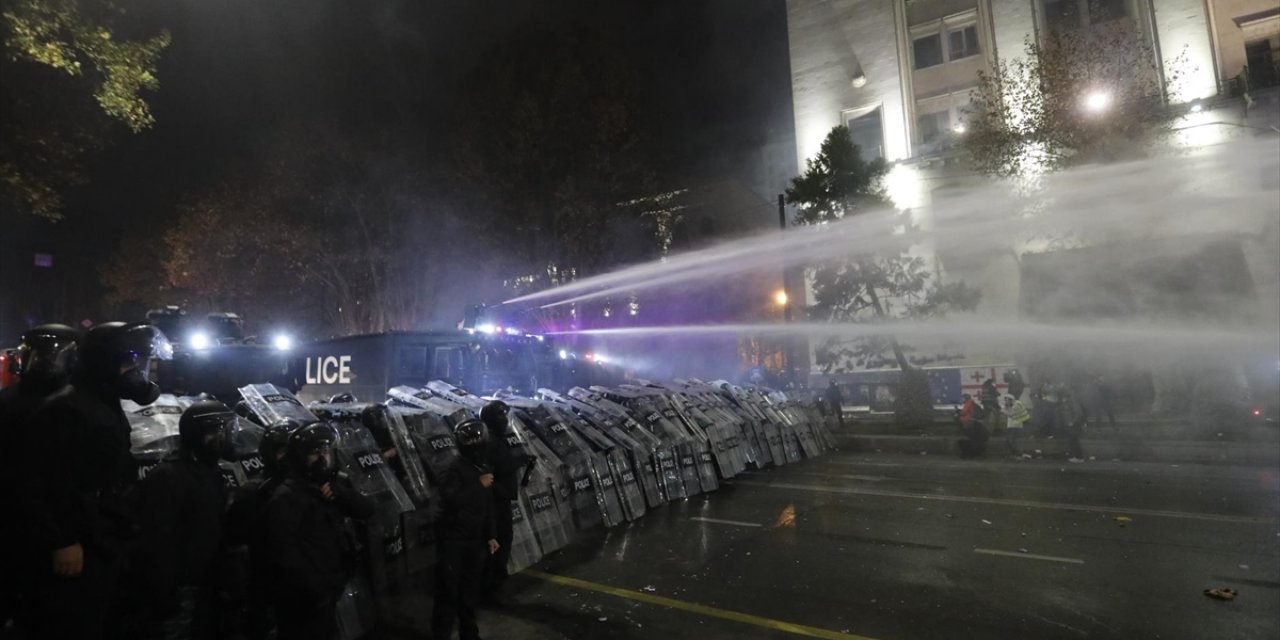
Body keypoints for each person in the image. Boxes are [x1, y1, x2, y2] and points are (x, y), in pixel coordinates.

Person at [14, 322, 172, 640]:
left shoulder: (101, 403)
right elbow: (38, 482)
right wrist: (62, 541)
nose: (137, 372)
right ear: (104, 361)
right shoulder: (68, 409)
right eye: (130, 361)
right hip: (78, 544)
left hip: (101, 536)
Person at [258, 423, 374, 640]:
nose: (322, 458)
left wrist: (341, 494)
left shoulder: (329, 486)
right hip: (305, 598)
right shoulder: (286, 496)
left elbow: (366, 509)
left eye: (326, 451)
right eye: (315, 452)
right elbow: (284, 553)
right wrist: (315, 587)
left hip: (329, 588)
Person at [137, 400, 239, 640]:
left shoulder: (211, 472)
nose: (225, 438)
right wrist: (165, 594)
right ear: (197, 434)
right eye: (217, 431)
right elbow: (157, 542)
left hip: (207, 584)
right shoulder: (168, 476)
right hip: (180, 590)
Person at [0, 323, 79, 631]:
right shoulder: (10, 402)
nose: (44, 363)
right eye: (37, 355)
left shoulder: (75, 406)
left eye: (52, 355)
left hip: (48, 528)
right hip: (19, 525)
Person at [433, 419, 499, 640]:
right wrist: (477, 484)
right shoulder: (452, 468)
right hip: (453, 539)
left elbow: (487, 503)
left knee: (470, 590)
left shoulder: (480, 466)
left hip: (474, 538)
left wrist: (491, 535)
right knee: (448, 591)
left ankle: (469, 634)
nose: (475, 445)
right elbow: (451, 499)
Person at [478, 401, 532, 607]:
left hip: (500, 500)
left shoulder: (497, 440)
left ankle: (494, 589)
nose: (504, 421)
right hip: (495, 502)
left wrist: (520, 460)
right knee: (498, 546)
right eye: (500, 416)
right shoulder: (491, 442)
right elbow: (490, 473)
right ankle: (491, 592)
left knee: (501, 544)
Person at [1059, 388, 1088, 462]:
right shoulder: (1067, 402)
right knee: (1072, 441)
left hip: (1074, 425)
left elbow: (1078, 414)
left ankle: (1078, 457)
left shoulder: (1072, 402)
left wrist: (1072, 422)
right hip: (1070, 425)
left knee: (1074, 441)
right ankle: (1077, 457)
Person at [956, 394, 988, 458]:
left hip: (970, 422)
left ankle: (970, 453)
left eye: (963, 398)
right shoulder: (973, 403)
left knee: (971, 439)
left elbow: (964, 412)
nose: (962, 399)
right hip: (975, 423)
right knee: (974, 439)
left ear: (965, 398)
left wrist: (959, 413)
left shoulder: (968, 403)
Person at [1002, 394, 1031, 458]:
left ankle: (1017, 454)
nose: (1006, 401)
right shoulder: (1007, 407)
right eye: (1005, 400)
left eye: (1007, 400)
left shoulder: (1016, 405)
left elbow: (1011, 414)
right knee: (1009, 440)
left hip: (1016, 427)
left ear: (1011, 400)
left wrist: (1004, 411)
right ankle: (1013, 454)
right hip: (1011, 426)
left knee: (1014, 441)